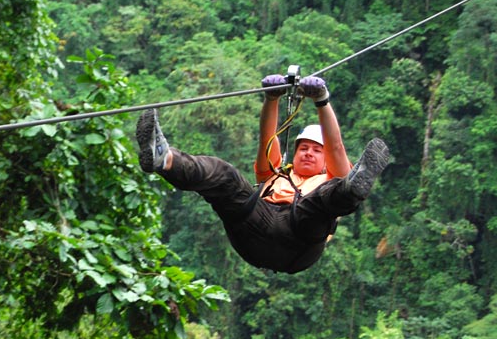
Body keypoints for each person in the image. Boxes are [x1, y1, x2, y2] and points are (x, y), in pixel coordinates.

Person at [136, 74, 390, 274]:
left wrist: (322, 101)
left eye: (316, 150)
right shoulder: (274, 175)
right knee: (225, 177)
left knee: (323, 199)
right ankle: (165, 159)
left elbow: (335, 147)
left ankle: (353, 191)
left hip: (299, 240)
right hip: (257, 228)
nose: (308, 153)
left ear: (326, 160)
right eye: (303, 148)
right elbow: (267, 139)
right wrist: (272, 99)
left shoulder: (331, 176)